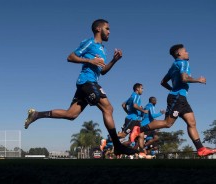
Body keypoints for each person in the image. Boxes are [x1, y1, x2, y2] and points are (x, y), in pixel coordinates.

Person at [24, 19, 137, 155]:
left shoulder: (103, 49)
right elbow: (70, 57)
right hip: (86, 82)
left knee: (71, 114)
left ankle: (36, 115)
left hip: (89, 83)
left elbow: (103, 71)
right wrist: (90, 60)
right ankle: (118, 145)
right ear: (98, 29)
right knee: (108, 108)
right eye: (107, 28)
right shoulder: (90, 42)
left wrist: (114, 60)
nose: (109, 32)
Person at [130, 44, 216, 156]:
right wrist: (198, 80)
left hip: (180, 97)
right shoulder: (184, 63)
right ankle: (138, 129)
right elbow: (184, 78)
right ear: (179, 53)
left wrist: (173, 90)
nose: (188, 52)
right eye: (185, 51)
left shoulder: (174, 65)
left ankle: (200, 149)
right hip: (178, 97)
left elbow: (163, 82)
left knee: (192, 122)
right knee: (168, 123)